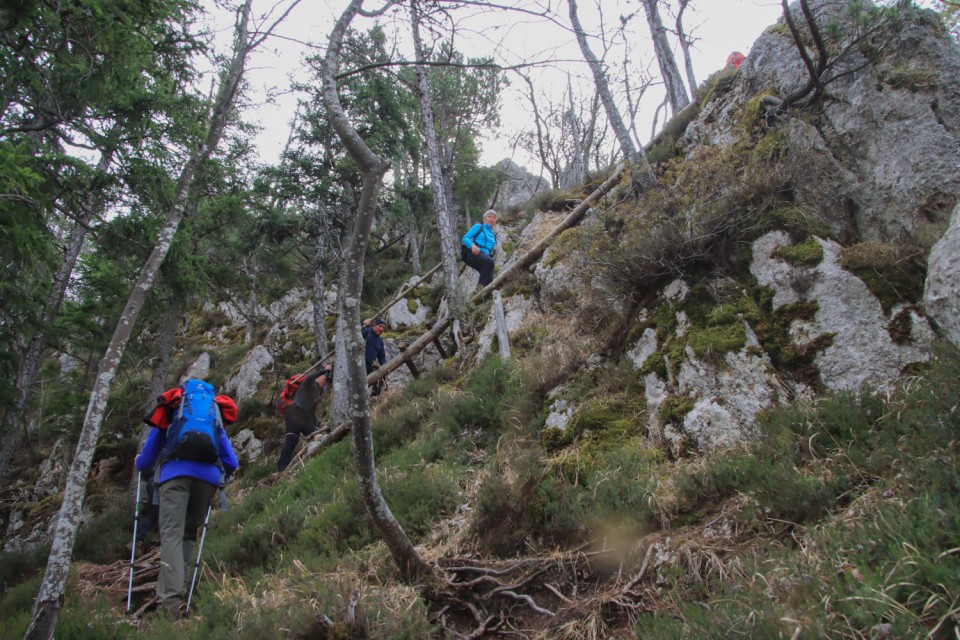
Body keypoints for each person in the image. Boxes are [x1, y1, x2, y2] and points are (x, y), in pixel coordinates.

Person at [135, 382, 238, 618]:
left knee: (171, 534)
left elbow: (147, 460)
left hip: (176, 476)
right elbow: (231, 462)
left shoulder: (174, 408)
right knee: (189, 536)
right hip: (208, 481)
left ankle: (169, 605)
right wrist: (219, 475)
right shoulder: (214, 416)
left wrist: (139, 462)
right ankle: (183, 597)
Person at [276, 364, 332, 472]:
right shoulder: (307, 383)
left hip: (305, 418)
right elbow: (310, 377)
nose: (325, 382)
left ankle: (316, 462)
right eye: (324, 379)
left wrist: (318, 425)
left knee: (316, 436)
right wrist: (323, 371)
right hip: (294, 413)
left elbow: (312, 413)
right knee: (291, 440)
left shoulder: (317, 393)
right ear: (318, 376)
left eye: (326, 381)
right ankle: (281, 469)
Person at [461, 209, 498, 287]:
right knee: (490, 262)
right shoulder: (479, 227)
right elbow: (465, 238)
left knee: (489, 277)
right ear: (484, 219)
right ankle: (480, 289)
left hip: (484, 257)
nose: (492, 219)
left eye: (494, 218)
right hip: (474, 253)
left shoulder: (493, 234)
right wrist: (472, 245)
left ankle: (482, 296)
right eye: (489, 217)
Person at [362, 317, 388, 396]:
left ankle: (374, 397)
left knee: (381, 378)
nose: (381, 329)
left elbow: (381, 356)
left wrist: (385, 368)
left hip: (370, 365)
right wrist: (363, 324)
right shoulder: (367, 332)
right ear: (374, 325)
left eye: (383, 327)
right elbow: (356, 333)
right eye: (380, 326)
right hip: (360, 364)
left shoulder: (380, 341)